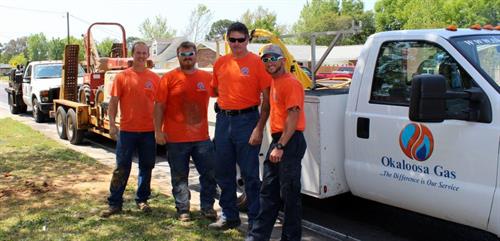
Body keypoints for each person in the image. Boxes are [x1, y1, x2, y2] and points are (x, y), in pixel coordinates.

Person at [208, 22, 272, 230]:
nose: (236, 44)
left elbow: (267, 98)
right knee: (223, 171)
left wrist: (259, 128)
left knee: (250, 175)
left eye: (241, 40)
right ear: (228, 40)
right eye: (232, 40)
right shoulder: (220, 63)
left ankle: (254, 221)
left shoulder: (257, 63)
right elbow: (215, 90)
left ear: (248, 40)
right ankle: (229, 216)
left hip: (247, 121)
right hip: (224, 121)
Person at [246, 44, 307, 241]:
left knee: (290, 196)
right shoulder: (275, 82)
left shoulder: (290, 83)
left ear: (283, 60)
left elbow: (293, 115)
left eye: (273, 58)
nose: (269, 62)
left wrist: (280, 146)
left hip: (289, 141)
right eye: (265, 59)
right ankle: (258, 236)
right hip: (279, 140)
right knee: (269, 192)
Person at [154, 41, 217, 222]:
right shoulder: (168, 78)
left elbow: (223, 92)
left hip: (202, 138)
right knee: (180, 176)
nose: (187, 58)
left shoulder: (206, 78)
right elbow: (159, 106)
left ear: (196, 55)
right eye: (183, 55)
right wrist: (158, 131)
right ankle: (183, 209)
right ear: (178, 56)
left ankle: (207, 207)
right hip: (176, 138)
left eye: (190, 54)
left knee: (209, 174)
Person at [101, 41, 160, 217]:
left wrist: (160, 128)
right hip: (127, 131)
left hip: (148, 131)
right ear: (132, 54)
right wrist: (112, 124)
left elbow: (160, 105)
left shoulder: (155, 79)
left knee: (146, 166)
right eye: (138, 53)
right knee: (121, 167)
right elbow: (113, 102)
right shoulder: (122, 77)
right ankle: (115, 203)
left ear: (147, 55)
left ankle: (142, 200)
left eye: (144, 53)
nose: (141, 56)